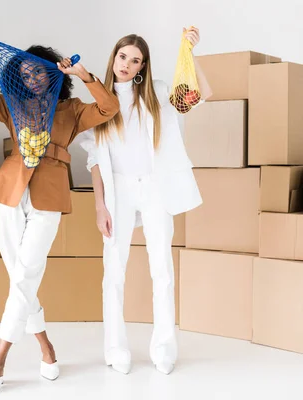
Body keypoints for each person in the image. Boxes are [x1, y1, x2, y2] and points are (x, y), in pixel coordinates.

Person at [0, 33, 120, 396]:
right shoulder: (11, 103)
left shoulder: (73, 109)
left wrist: (84, 74)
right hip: (9, 192)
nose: (33, 78)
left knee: (27, 271)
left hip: (49, 191)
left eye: (40, 72)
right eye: (26, 73)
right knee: (20, 275)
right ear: (18, 76)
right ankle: (46, 346)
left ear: (53, 76)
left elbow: (109, 108)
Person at [79, 27, 211, 375]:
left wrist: (189, 53)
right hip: (118, 190)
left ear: (142, 66)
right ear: (114, 57)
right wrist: (99, 205)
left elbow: (200, 94)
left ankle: (164, 348)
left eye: (135, 60)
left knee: (161, 269)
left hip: (154, 187)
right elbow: (94, 158)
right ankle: (115, 348)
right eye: (123, 56)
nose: (127, 64)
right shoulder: (99, 100)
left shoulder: (157, 93)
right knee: (114, 270)